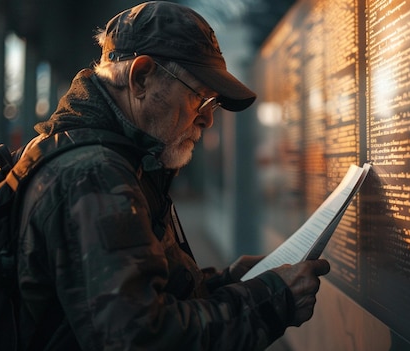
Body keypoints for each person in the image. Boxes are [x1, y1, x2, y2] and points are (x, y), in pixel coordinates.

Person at [17, 1, 330, 350]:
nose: (208, 120)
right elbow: (143, 339)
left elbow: (137, 296)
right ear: (141, 78)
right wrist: (272, 300)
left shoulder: (114, 160)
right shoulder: (93, 174)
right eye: (201, 98)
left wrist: (229, 282)